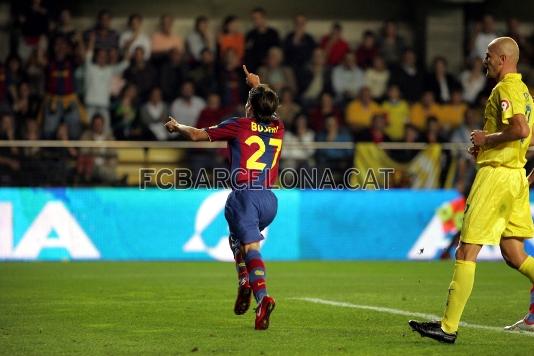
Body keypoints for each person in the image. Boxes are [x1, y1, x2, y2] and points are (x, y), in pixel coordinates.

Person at [409, 37, 534, 343]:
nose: (485, 61)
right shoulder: (527, 95)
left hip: (496, 179)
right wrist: (522, 176)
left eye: (489, 56)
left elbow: (521, 130)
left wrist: (486, 141)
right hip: (513, 176)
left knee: (467, 250)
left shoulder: (505, 89)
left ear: (503, 59)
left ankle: (448, 328)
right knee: (514, 253)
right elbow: (528, 140)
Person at [164, 65, 282, 330]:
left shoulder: (239, 125)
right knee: (237, 237)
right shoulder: (279, 127)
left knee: (249, 247)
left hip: (244, 196)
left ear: (250, 107)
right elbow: (267, 107)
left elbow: (195, 135)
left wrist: (176, 125)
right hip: (269, 200)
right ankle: (244, 280)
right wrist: (257, 84)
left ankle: (261, 296)